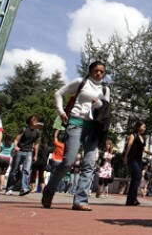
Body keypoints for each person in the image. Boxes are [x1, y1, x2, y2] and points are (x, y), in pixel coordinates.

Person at [41, 61, 110, 211]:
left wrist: (98, 104)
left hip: (93, 128)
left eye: (102, 72)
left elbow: (106, 110)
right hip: (76, 123)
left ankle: (81, 200)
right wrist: (61, 112)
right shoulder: (80, 82)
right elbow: (58, 93)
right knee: (68, 161)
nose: (98, 74)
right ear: (90, 71)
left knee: (90, 164)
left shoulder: (105, 89)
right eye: (96, 71)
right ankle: (49, 190)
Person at [5, 115, 40, 196]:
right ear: (30, 121)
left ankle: (24, 188)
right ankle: (9, 188)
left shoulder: (37, 132)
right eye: (33, 119)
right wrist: (16, 146)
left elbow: (36, 144)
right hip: (20, 151)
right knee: (14, 170)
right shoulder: (24, 129)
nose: (35, 121)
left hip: (29, 152)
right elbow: (16, 139)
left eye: (36, 120)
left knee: (26, 171)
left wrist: (35, 155)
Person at [123, 122, 147, 206]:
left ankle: (132, 199)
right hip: (132, 158)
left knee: (137, 178)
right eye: (143, 127)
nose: (144, 129)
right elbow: (129, 146)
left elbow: (145, 150)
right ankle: (131, 199)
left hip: (139, 160)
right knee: (136, 176)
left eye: (145, 127)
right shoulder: (133, 135)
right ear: (138, 127)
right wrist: (125, 156)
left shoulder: (143, 137)